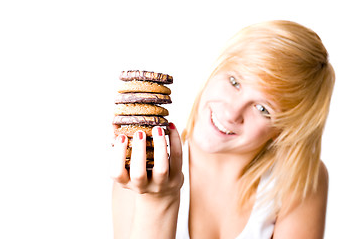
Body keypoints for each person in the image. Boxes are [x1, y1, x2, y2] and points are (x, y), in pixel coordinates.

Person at [111, 20, 335, 239]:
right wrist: (156, 201)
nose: (231, 113)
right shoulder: (141, 166)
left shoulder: (300, 178)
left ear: (285, 129)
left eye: (262, 108)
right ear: (217, 69)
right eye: (234, 81)